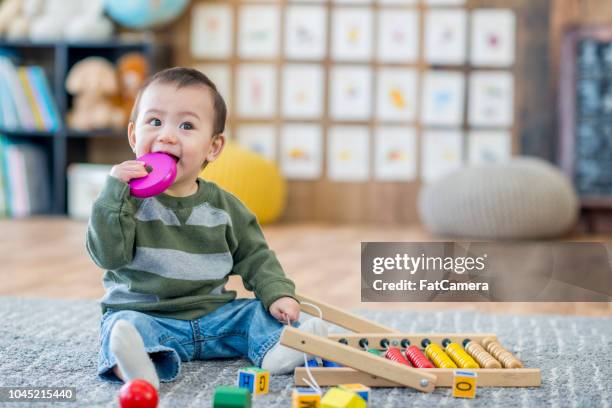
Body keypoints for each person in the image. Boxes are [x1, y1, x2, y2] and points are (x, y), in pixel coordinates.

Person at [87, 67, 327, 388]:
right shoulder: (123, 202)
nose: (167, 135)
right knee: (123, 326)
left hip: (215, 318)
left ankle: (280, 349)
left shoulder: (225, 207)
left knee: (256, 315)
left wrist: (277, 295)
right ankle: (137, 368)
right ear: (134, 136)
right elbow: (108, 257)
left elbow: (256, 257)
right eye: (155, 122)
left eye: (186, 125)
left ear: (213, 148)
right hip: (149, 315)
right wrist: (113, 194)